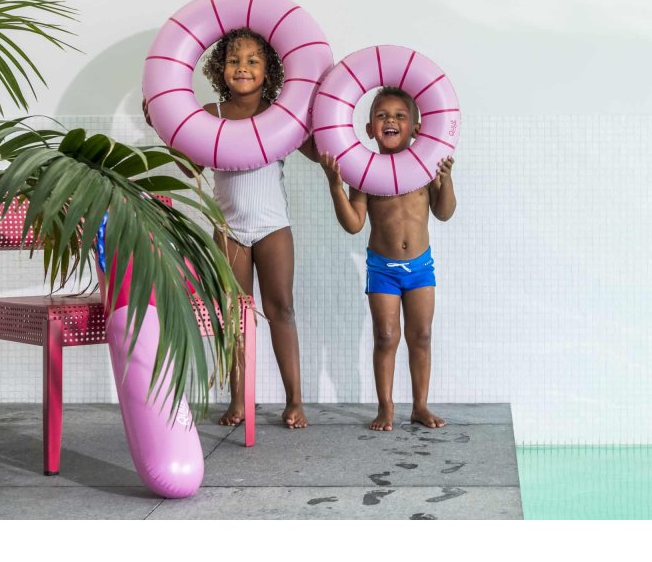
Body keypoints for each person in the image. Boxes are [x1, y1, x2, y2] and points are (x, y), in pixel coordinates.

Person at [144, 27, 314, 429]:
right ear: (220, 68)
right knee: (235, 315)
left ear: (268, 70)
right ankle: (239, 400)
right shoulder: (211, 114)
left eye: (253, 61)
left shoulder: (281, 113)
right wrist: (162, 128)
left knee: (281, 309)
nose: (242, 67)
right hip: (229, 229)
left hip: (273, 227)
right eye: (234, 60)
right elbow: (191, 167)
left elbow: (315, 148)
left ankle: (294, 400)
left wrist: (313, 110)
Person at [321, 86, 456, 431]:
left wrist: (446, 180)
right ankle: (386, 407)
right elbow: (354, 224)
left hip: (420, 267)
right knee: (385, 336)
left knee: (421, 335)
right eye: (381, 116)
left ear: (416, 128)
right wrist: (336, 187)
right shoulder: (365, 171)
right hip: (382, 268)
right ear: (369, 129)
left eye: (399, 115)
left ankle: (420, 406)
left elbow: (444, 213)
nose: (390, 121)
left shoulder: (425, 167)